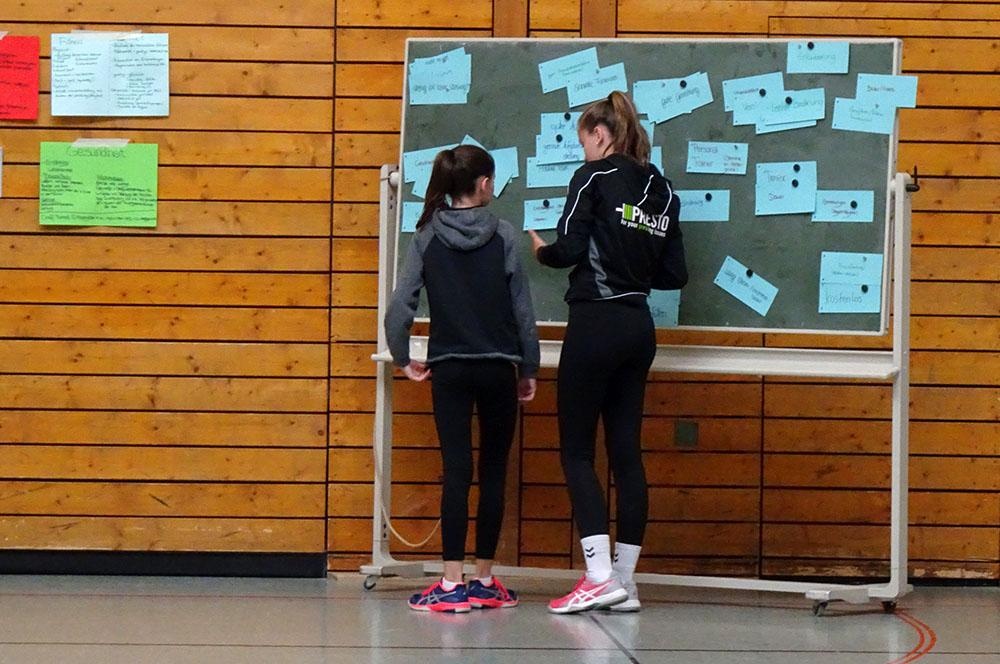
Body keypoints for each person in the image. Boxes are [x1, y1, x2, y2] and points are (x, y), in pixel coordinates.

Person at [528, 91, 687, 614]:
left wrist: (542, 252)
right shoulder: (663, 190)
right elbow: (675, 274)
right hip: (639, 327)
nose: (584, 151)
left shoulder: (593, 177)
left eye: (584, 142)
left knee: (576, 451)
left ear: (600, 134)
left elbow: (569, 248)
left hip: (595, 322)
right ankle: (624, 581)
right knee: (626, 455)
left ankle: (597, 577)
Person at [385, 144, 541, 613]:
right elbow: (523, 310)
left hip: (450, 368)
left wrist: (402, 358)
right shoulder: (505, 235)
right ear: (485, 184)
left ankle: (451, 584)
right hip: (498, 368)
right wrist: (528, 367)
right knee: (494, 471)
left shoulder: (427, 236)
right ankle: (485, 580)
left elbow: (400, 307)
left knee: (456, 471)